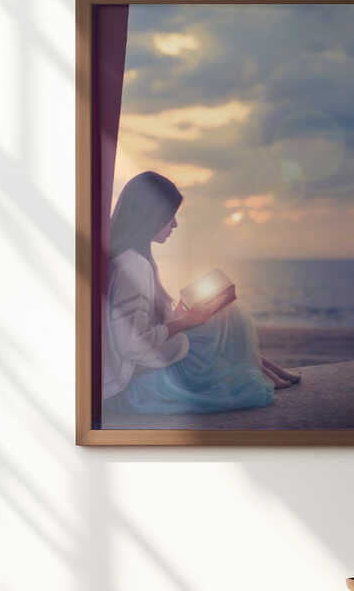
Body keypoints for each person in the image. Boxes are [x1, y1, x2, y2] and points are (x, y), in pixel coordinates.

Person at [103, 171, 300, 417]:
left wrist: (179, 318)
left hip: (140, 367)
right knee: (226, 317)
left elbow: (131, 328)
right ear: (150, 216)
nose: (174, 224)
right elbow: (131, 344)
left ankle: (261, 366)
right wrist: (185, 321)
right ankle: (259, 369)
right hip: (134, 382)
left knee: (219, 313)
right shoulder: (134, 264)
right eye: (169, 216)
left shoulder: (133, 258)